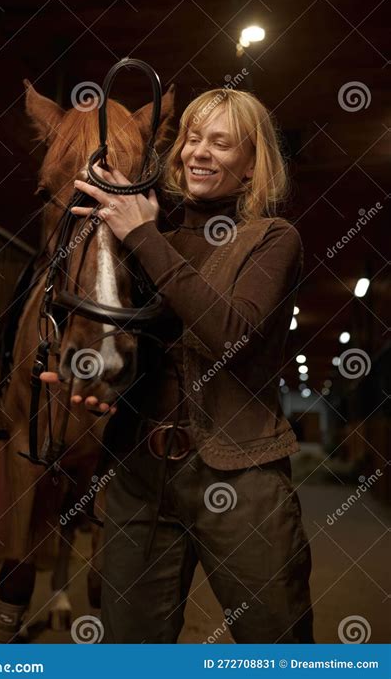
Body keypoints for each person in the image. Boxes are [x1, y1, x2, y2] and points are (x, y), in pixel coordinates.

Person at [45, 88, 314, 643]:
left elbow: (230, 335)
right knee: (131, 655)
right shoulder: (150, 243)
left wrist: (142, 235)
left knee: (280, 648)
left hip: (240, 476)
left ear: (250, 166)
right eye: (193, 137)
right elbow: (132, 351)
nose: (199, 152)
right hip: (138, 476)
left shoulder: (271, 240)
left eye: (221, 142)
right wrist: (94, 380)